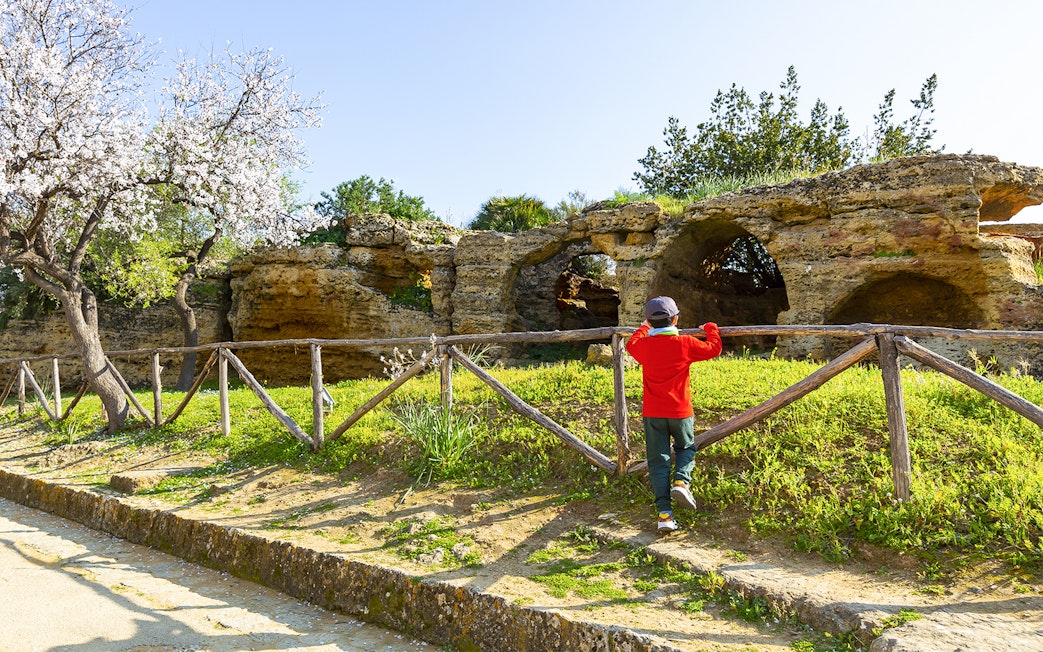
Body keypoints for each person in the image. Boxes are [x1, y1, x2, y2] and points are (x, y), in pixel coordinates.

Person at [625, 296, 722, 533]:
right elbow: (715, 348)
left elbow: (631, 343)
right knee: (686, 447)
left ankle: (665, 515)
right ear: (676, 319)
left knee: (658, 461)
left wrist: (642, 328)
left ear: (649, 321)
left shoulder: (643, 346)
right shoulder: (686, 343)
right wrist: (711, 328)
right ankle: (681, 481)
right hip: (680, 411)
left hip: (653, 413)